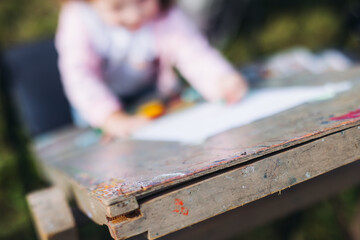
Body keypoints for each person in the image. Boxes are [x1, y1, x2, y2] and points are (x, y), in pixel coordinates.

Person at [56, 0, 248, 138]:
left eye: (142, 1)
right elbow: (79, 74)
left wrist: (221, 79)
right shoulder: (79, 18)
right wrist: (109, 117)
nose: (134, 15)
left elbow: (193, 53)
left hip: (149, 97)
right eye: (116, 7)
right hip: (97, 109)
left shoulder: (165, 12)